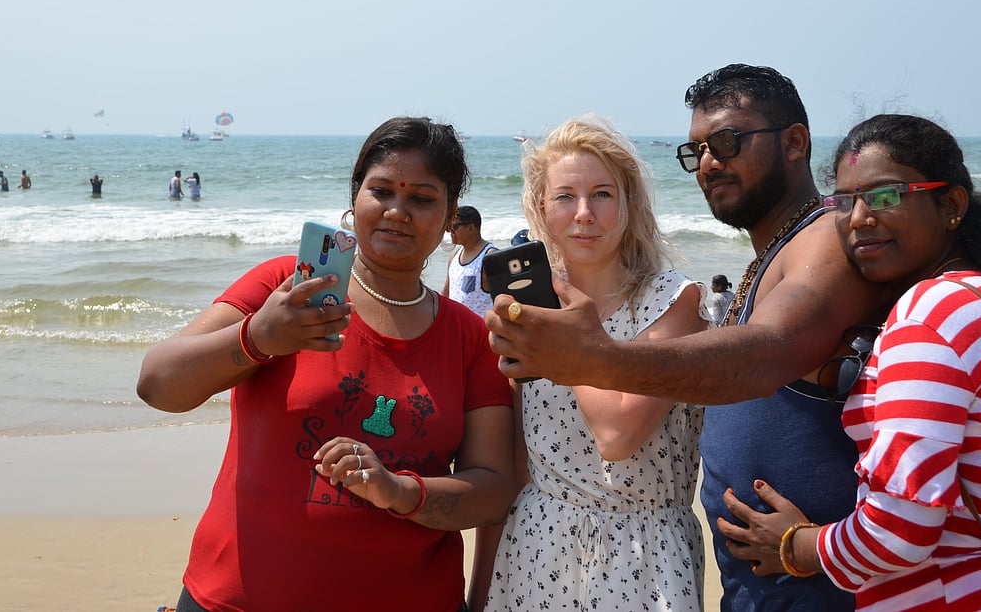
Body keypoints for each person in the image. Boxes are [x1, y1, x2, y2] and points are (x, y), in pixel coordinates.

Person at [485, 64, 890, 611]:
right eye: (695, 150)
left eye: (727, 142)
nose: (708, 163)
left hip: (790, 576)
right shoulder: (777, 251)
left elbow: (767, 351)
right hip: (758, 577)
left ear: (795, 142)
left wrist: (811, 546)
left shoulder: (822, 240)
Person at [717, 114, 981, 610]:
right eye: (843, 201)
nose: (858, 218)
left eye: (885, 195)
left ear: (952, 205)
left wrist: (796, 546)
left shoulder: (930, 315)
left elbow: (901, 529)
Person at [137, 116, 516, 612]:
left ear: (449, 219)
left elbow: (492, 490)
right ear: (354, 199)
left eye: (421, 198)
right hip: (236, 598)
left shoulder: (468, 338)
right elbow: (158, 385)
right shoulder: (285, 288)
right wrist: (258, 337)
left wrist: (399, 490)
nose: (397, 211)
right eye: (381, 191)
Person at [483, 117, 709, 612]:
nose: (584, 214)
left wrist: (572, 335)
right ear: (542, 209)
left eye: (603, 194)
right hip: (537, 543)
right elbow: (525, 455)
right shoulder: (532, 314)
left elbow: (618, 436)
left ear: (629, 206)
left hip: (641, 554)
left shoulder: (675, 301)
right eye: (565, 196)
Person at [441, 205, 498, 318]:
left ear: (471, 228)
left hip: (482, 330)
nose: (450, 232)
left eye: (455, 226)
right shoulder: (454, 256)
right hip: (458, 328)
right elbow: (446, 294)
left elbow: (505, 297)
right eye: (449, 227)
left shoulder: (490, 256)